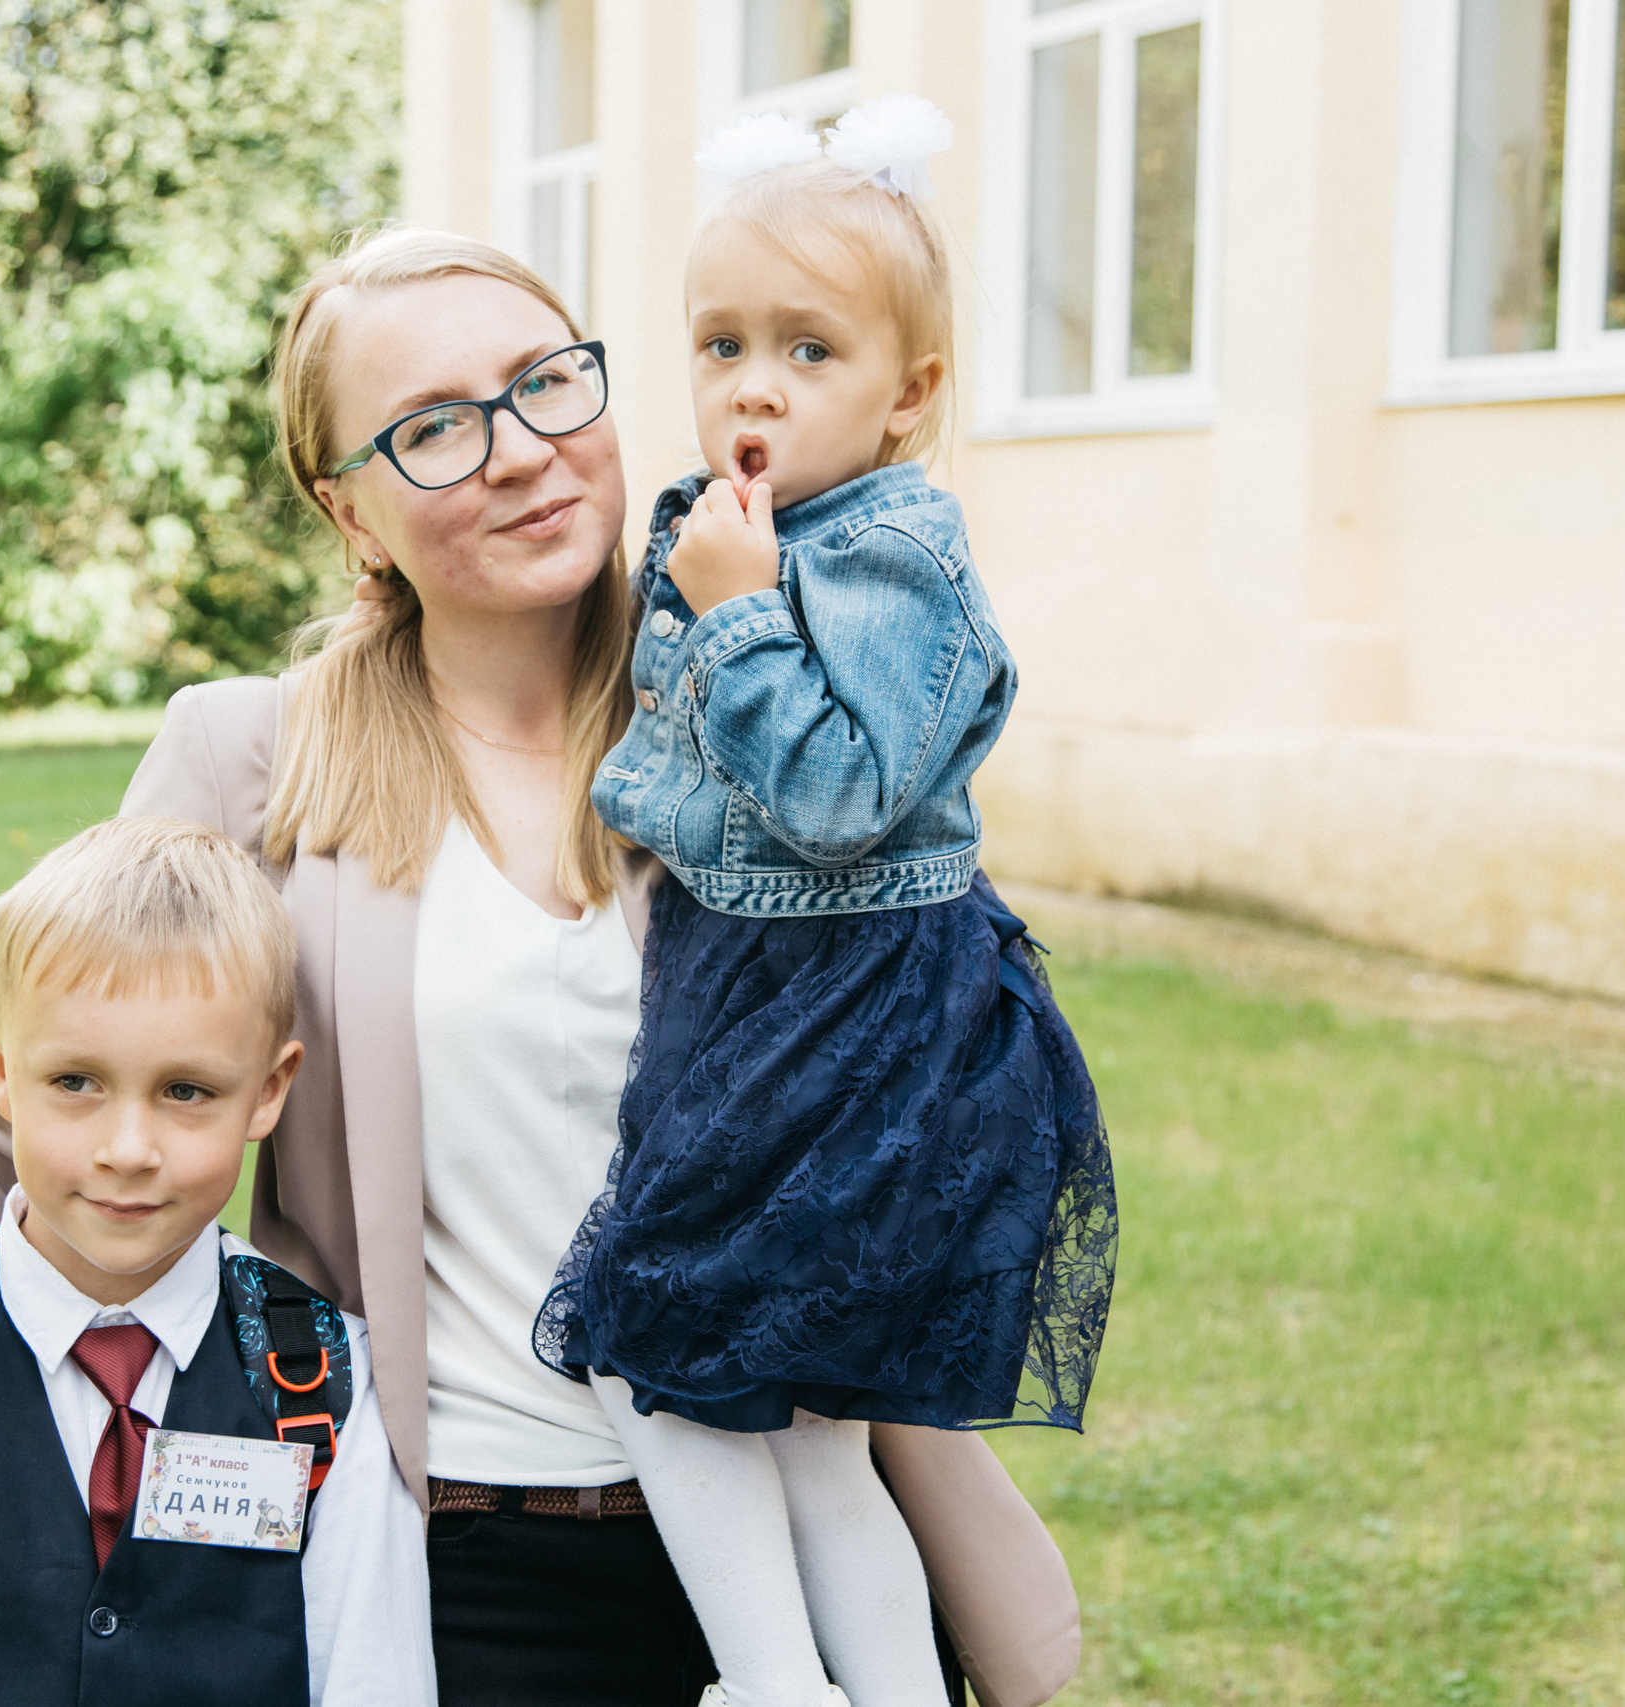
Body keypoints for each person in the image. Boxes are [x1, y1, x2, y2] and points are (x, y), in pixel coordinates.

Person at [0, 227, 1085, 1707]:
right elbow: (11, 1129)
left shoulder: (777, 692)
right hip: (458, 1568)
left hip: (807, 1535)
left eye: (548, 384)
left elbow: (938, 1055)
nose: (517, 453)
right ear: (346, 506)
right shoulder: (251, 759)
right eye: (431, 427)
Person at [530, 101, 1118, 1707]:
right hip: (765, 991)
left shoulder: (889, 556)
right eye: (721, 343)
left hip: (849, 1016)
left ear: (910, 395)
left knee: (659, 1365)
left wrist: (731, 619)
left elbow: (841, 796)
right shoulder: (768, 527)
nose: (754, 384)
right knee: (798, 1428)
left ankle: (777, 1684)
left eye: (810, 348)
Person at [0, 816, 433, 1706]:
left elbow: (375, 1680)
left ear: (269, 1090)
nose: (128, 1149)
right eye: (76, 1081)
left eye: (185, 1091)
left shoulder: (329, 1383)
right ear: (3, 1070)